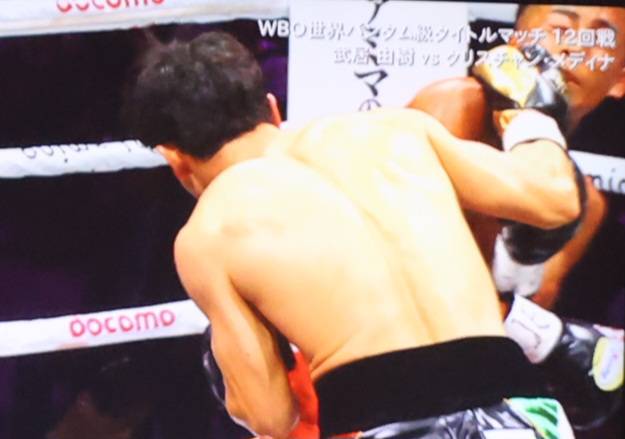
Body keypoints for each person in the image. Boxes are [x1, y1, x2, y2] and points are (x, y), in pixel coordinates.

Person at [124, 31, 582, 438]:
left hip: (382, 419)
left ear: (175, 159)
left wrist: (243, 375)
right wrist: (531, 113)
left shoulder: (207, 234)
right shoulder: (397, 131)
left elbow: (271, 417)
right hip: (518, 407)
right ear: (272, 109)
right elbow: (556, 198)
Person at [407, 4, 625, 430]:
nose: (573, 46)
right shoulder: (456, 105)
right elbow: (393, 263)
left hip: (463, 397)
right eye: (560, 26)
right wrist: (546, 334)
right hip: (378, 382)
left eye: (599, 38)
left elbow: (505, 331)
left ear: (620, 78)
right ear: (514, 42)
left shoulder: (584, 203)